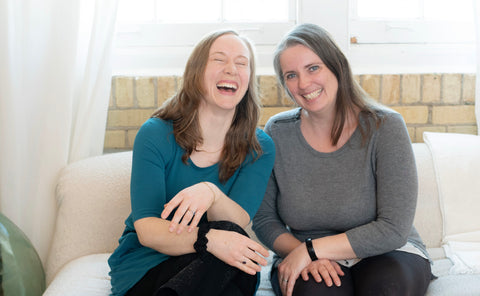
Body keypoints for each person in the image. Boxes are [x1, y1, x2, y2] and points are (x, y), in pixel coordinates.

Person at [252, 23, 432, 296]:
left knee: (388, 288)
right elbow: (265, 219)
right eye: (291, 75)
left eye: (313, 68)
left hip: (387, 252)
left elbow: (394, 228)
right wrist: (302, 254)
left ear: (337, 66)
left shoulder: (386, 126)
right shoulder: (277, 131)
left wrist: (312, 249)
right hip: (306, 257)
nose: (303, 83)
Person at [108, 29, 275, 296]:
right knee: (231, 258)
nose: (231, 69)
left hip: (215, 265)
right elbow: (148, 230)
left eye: (242, 63)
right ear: (197, 72)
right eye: (219, 59)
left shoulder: (260, 147)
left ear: (248, 79)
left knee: (237, 250)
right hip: (148, 266)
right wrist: (207, 240)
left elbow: (237, 221)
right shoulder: (155, 134)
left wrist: (210, 194)